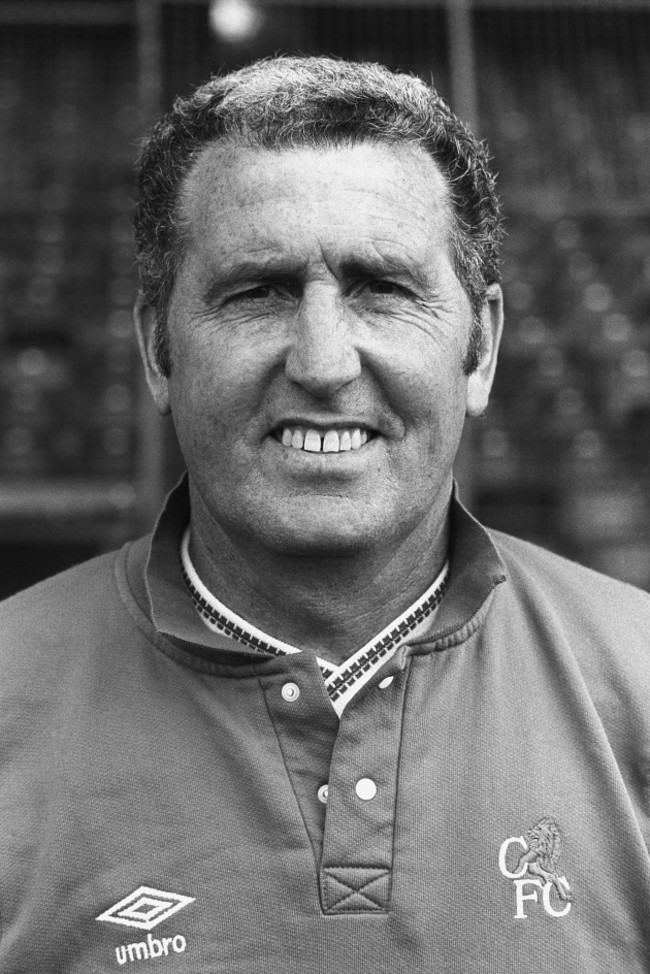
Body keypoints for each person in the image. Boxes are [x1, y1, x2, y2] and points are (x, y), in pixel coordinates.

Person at [1, 56, 649, 974]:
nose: (323, 361)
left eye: (381, 288)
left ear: (481, 348)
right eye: (257, 292)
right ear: (158, 348)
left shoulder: (639, 681)